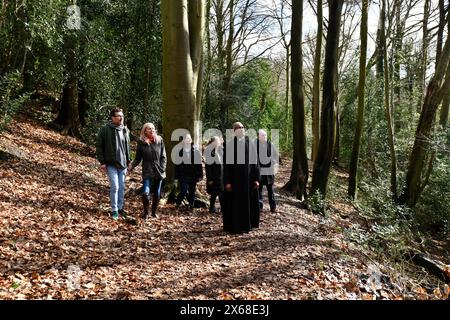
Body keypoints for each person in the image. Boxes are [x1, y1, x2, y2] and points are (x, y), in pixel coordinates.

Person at [222, 122, 260, 234]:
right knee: (235, 203)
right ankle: (235, 226)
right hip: (234, 181)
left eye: (243, 127)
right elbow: (226, 166)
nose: (242, 129)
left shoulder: (251, 143)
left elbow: (255, 163)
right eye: (239, 128)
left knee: (248, 203)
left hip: (248, 181)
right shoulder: (229, 145)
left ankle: (247, 225)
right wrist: (227, 182)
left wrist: (256, 179)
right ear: (234, 130)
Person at [96, 107, 131, 220]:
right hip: (111, 163)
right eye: (118, 116)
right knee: (115, 187)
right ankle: (114, 210)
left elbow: (127, 146)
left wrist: (129, 159)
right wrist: (102, 162)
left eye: (122, 116)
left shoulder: (125, 129)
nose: (121, 118)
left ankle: (120, 208)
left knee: (122, 187)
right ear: (112, 118)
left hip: (123, 164)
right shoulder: (105, 129)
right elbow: (99, 146)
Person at [128, 123, 166, 219]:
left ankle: (154, 212)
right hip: (147, 171)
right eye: (149, 129)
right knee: (145, 193)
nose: (152, 130)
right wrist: (131, 166)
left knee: (157, 193)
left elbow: (163, 156)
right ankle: (146, 213)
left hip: (159, 170)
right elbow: (137, 158)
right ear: (145, 131)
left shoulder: (160, 140)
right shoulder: (141, 142)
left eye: (153, 128)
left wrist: (163, 168)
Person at [175, 133, 203, 210]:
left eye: (189, 138)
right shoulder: (180, 152)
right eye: (186, 139)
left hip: (193, 174)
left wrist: (200, 175)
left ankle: (191, 205)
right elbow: (177, 165)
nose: (188, 140)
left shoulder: (195, 151)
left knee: (192, 191)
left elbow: (199, 164)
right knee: (183, 189)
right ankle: (178, 203)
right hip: (183, 175)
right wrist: (176, 176)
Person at [256, 129, 279, 213]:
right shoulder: (255, 145)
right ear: (258, 136)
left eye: (265, 135)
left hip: (269, 171)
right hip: (259, 171)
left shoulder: (271, 145)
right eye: (262, 135)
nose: (264, 137)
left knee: (271, 190)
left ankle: (273, 207)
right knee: (259, 190)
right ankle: (260, 207)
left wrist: (272, 161)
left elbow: (276, 157)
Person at [204, 136, 224, 214]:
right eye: (218, 141)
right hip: (214, 177)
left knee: (221, 193)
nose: (219, 142)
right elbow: (208, 167)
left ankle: (223, 208)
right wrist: (210, 179)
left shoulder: (220, 150)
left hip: (221, 176)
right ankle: (211, 208)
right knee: (214, 193)